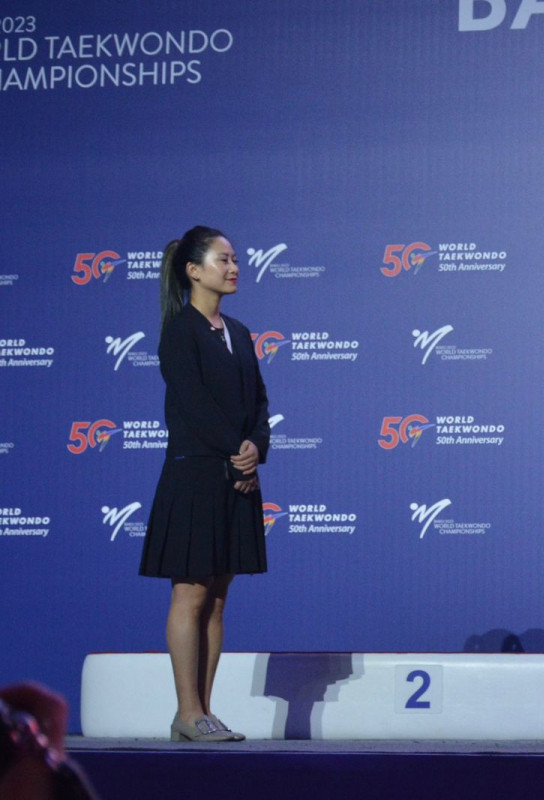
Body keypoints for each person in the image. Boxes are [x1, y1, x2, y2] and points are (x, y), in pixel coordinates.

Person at [139, 226, 271, 743]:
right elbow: (193, 405)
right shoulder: (179, 330)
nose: (234, 267)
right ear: (193, 270)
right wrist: (237, 456)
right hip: (196, 474)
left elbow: (259, 402)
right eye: (223, 259)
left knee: (218, 599)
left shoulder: (238, 331)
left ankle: (206, 713)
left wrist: (255, 447)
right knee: (190, 595)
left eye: (236, 258)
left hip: (236, 477)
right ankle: (185, 711)